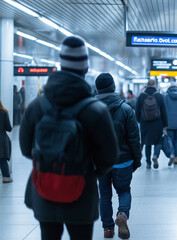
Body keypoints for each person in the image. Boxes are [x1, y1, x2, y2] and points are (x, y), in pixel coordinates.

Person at [19, 36, 118, 240]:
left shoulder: (37, 106)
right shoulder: (96, 111)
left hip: (44, 189)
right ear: (86, 69)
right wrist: (86, 169)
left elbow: (26, 149)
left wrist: (52, 162)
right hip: (81, 193)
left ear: (60, 65)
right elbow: (109, 157)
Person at [95, 73, 142, 239]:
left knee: (105, 195)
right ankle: (122, 214)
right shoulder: (126, 109)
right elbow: (134, 139)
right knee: (123, 190)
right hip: (123, 160)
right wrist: (136, 161)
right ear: (113, 87)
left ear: (97, 88)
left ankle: (108, 229)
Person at [136, 80, 168, 169]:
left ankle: (148, 163)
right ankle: (155, 156)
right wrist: (165, 125)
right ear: (155, 85)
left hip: (144, 123)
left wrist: (139, 121)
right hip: (157, 123)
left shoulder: (141, 96)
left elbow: (137, 110)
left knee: (147, 143)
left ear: (147, 86)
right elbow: (164, 112)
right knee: (158, 141)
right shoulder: (160, 96)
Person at [0, 100, 12, 183]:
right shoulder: (4, 112)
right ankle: (6, 177)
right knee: (2, 159)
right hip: (2, 138)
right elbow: (8, 128)